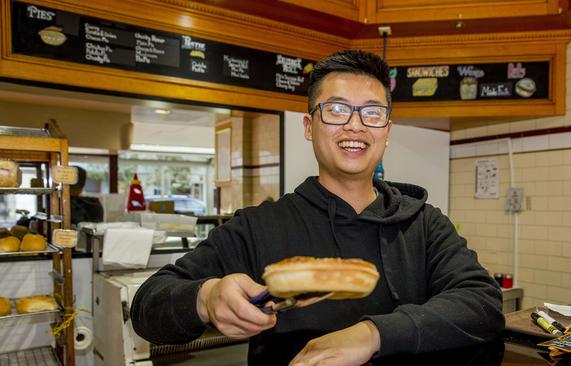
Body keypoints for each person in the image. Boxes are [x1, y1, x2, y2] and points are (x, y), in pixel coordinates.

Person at [131, 50, 504, 365]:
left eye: (372, 113)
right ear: (309, 126)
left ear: (387, 132)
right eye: (338, 110)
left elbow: (482, 302)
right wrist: (205, 298)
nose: (355, 126)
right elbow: (147, 308)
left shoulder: (423, 223)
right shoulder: (258, 226)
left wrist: (373, 334)